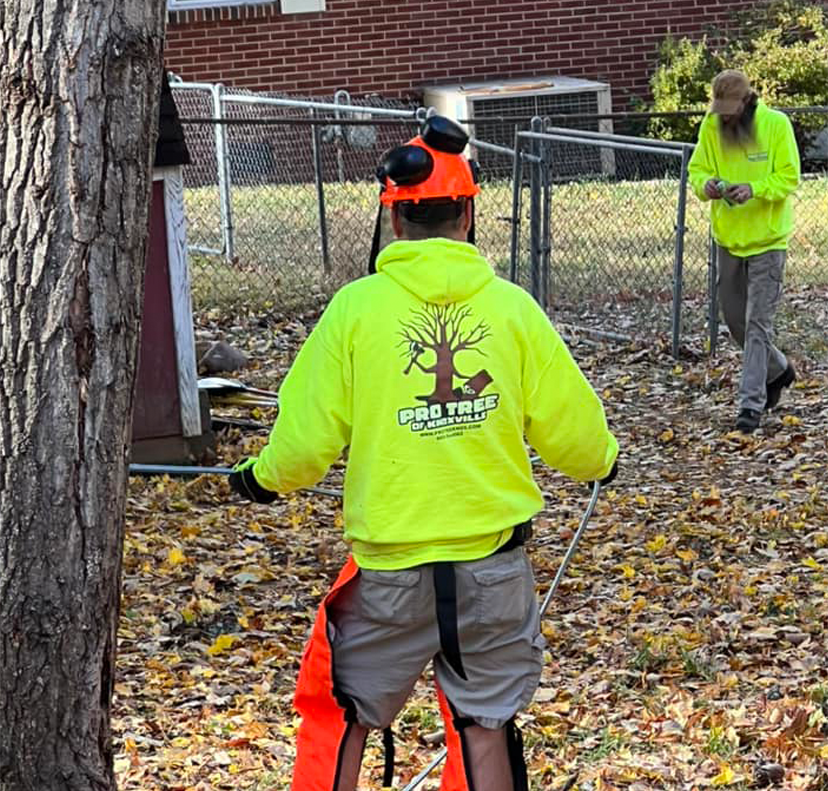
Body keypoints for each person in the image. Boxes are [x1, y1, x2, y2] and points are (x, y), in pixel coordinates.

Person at [229, 116, 619, 791]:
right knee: (486, 721)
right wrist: (602, 460)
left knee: (342, 713)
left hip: (388, 573)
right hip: (494, 572)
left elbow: (306, 442)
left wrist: (261, 478)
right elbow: (574, 430)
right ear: (468, 214)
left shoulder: (356, 311)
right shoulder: (511, 309)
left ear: (393, 219)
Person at [688, 69, 800, 433]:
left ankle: (750, 406)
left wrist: (754, 189)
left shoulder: (776, 125)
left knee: (757, 325)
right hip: (729, 241)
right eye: (719, 111)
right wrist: (707, 185)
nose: (724, 118)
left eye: (730, 111)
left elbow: (789, 177)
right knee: (736, 321)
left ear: (747, 101)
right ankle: (779, 370)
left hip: (768, 241)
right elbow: (697, 170)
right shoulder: (711, 127)